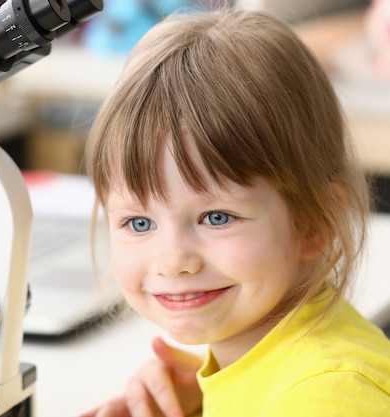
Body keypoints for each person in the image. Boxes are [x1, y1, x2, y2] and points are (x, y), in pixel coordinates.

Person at [79, 7, 390, 417]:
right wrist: (203, 401)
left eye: (217, 217)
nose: (173, 262)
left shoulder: (328, 396)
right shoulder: (267, 360)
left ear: (315, 220)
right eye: (139, 223)